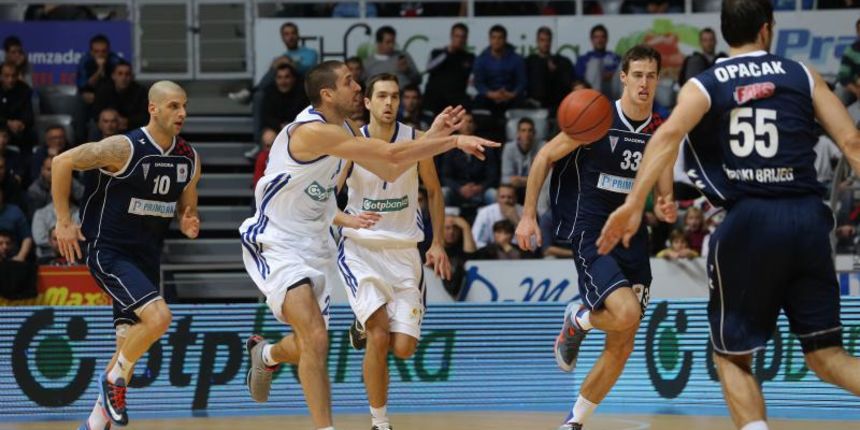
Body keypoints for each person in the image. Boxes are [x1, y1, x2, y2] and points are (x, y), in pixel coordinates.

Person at [597, 2, 860, 429]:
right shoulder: (801, 74)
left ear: (723, 34)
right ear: (766, 29)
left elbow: (666, 137)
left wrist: (633, 204)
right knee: (827, 356)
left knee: (732, 356)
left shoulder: (704, 84)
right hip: (809, 219)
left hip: (750, 220)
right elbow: (851, 143)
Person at [239, 60, 497, 430]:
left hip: (317, 243)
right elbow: (390, 155)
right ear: (328, 94)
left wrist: (428, 138)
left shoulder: (343, 128)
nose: (357, 87)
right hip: (278, 239)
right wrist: (452, 140)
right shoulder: (311, 131)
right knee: (316, 337)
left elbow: (390, 169)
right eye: (350, 82)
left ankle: (266, 353)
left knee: (315, 342)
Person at [515, 45, 676, 430]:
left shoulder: (661, 131)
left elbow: (664, 193)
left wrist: (667, 207)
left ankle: (574, 422)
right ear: (623, 77)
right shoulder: (597, 117)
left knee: (623, 343)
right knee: (625, 314)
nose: (644, 82)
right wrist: (527, 216)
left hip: (635, 238)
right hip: (593, 233)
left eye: (651, 76)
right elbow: (543, 158)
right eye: (637, 75)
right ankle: (579, 319)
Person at [52, 81, 201, 429]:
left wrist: (188, 218)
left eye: (184, 106)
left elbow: (187, 203)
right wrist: (63, 221)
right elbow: (61, 161)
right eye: (174, 106)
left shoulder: (189, 158)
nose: (182, 113)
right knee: (159, 319)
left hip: (147, 257)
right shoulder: (123, 147)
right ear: (153, 108)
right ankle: (111, 382)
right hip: (109, 251)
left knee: (126, 354)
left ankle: (91, 424)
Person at [334, 73, 452, 430]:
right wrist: (345, 220)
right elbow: (327, 195)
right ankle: (380, 422)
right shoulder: (351, 143)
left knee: (403, 348)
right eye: (382, 96)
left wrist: (438, 243)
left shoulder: (416, 140)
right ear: (367, 102)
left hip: (404, 252)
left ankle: (362, 325)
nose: (389, 103)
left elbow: (433, 190)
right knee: (379, 334)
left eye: (395, 97)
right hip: (362, 249)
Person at [438, 112, 500, 209]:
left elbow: (492, 176)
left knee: (493, 194)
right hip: (457, 191)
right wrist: (459, 188)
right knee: (443, 192)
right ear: (457, 126)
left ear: (475, 125)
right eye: (462, 122)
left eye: (470, 122)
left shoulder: (486, 147)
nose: (466, 125)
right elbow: (445, 176)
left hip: (480, 190)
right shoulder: (450, 147)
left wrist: (480, 187)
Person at [473, 25, 527, 117]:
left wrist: (512, 94)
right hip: (489, 96)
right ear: (489, 39)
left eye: (500, 38)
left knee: (522, 102)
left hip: (511, 96)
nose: (497, 41)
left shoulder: (516, 59)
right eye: (494, 38)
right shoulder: (481, 59)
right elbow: (478, 82)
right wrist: (491, 94)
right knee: (478, 102)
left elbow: (522, 81)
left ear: (505, 39)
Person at [424, 23, 474, 115]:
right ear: (451, 37)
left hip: (457, 100)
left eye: (463, 37)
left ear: (466, 39)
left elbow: (473, 79)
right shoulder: (437, 53)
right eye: (457, 36)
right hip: (435, 99)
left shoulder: (469, 58)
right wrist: (447, 53)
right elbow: (428, 68)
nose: (459, 40)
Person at [526, 27, 575, 114]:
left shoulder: (561, 61)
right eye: (542, 40)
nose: (545, 43)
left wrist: (556, 72)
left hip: (555, 104)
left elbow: (568, 83)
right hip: (534, 104)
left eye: (548, 40)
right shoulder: (529, 61)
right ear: (537, 41)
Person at [261, 63, 309, 150]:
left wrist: (291, 126)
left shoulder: (302, 93)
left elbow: (306, 115)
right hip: (277, 128)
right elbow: (267, 117)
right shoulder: (269, 93)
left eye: (287, 77)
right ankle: (270, 163)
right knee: (268, 137)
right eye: (279, 77)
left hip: (298, 127)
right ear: (275, 79)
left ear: (293, 79)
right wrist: (280, 126)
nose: (283, 81)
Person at [92, 60, 149, 131]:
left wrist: (127, 121)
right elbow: (96, 113)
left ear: (132, 77)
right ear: (113, 76)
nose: (123, 78)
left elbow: (145, 116)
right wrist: (113, 119)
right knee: (94, 125)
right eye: (120, 74)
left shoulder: (141, 91)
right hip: (108, 125)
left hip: (131, 126)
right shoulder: (103, 90)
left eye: (127, 74)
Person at [502, 118, 544, 200]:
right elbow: (505, 178)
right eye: (523, 130)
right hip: (514, 189)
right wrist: (530, 181)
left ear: (534, 133)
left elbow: (545, 178)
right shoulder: (509, 148)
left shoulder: (542, 147)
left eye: (530, 130)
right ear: (518, 133)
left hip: (537, 190)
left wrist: (522, 181)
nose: (527, 134)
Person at [576, 25, 621, 98]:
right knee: (595, 63)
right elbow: (579, 81)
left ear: (606, 39)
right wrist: (600, 74)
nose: (600, 40)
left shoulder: (616, 58)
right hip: (591, 93)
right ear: (591, 40)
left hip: (614, 92)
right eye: (596, 37)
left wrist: (611, 74)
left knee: (625, 63)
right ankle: (594, 100)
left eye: (602, 37)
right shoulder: (584, 59)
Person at [472, 183, 523, 248]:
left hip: (518, 253)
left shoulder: (524, 212)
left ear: (516, 199)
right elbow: (475, 240)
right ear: (497, 198)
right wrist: (495, 250)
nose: (506, 200)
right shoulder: (485, 213)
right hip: (490, 253)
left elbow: (533, 245)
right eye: (502, 197)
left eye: (510, 197)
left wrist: (516, 220)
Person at [76, 34, 122, 106]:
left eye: (104, 51)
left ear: (108, 51)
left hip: (111, 95)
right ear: (91, 52)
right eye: (96, 51)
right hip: (90, 94)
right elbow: (84, 85)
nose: (100, 54)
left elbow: (120, 84)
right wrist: (100, 70)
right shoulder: (85, 61)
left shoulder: (115, 61)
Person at [0, 62, 35, 154]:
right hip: (2, 125)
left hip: (18, 129)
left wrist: (22, 123)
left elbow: (29, 115)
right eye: (6, 76)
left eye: (13, 76)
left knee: (30, 135)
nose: (10, 79)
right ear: (1, 76)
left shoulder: (24, 90)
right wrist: (8, 123)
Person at [474, 219, 538, 260]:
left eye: (506, 233)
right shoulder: (484, 251)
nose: (503, 236)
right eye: (499, 232)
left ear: (512, 235)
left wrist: (507, 247)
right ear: (494, 233)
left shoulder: (523, 251)